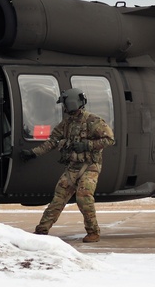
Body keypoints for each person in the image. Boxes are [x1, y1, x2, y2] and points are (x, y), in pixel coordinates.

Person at [19, 88, 115, 243]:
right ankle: (42, 230)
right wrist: (33, 153)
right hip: (73, 167)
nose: (63, 107)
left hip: (90, 166)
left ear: (70, 103)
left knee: (84, 197)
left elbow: (109, 139)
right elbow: (52, 142)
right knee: (58, 198)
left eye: (64, 103)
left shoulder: (93, 121)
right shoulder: (65, 125)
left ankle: (93, 232)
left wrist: (86, 145)